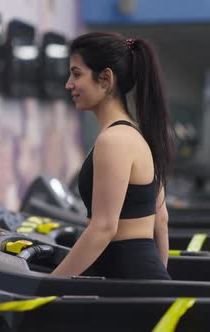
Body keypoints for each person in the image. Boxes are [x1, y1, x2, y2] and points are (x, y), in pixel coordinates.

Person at [50, 32, 173, 280]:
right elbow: (161, 219)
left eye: (76, 74)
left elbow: (104, 228)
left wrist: (47, 285)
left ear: (105, 78)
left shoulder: (113, 141)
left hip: (129, 283)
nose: (68, 84)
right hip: (136, 281)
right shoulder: (135, 133)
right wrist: (160, 284)